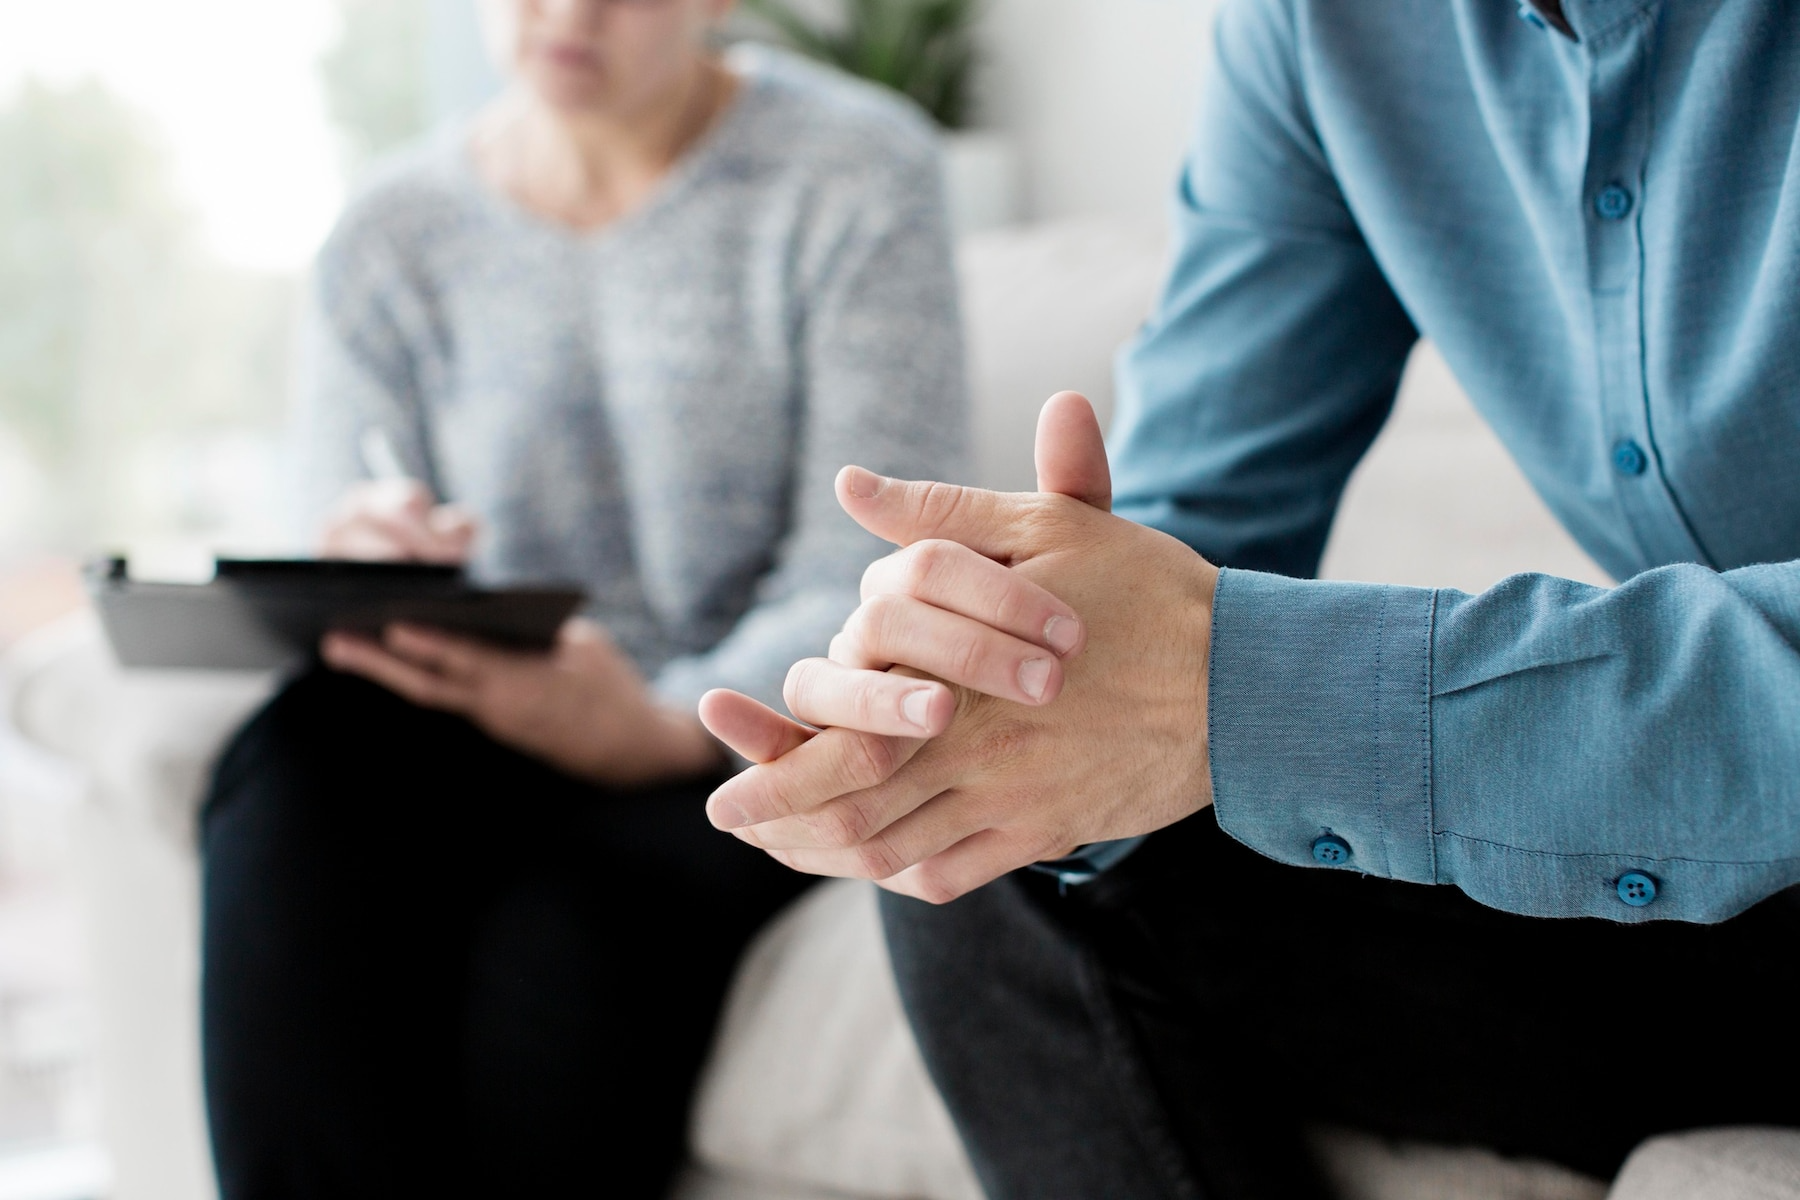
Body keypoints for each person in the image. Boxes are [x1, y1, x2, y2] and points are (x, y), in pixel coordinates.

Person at [695, 0, 1800, 1195]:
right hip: (1724, 914)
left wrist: (1243, 686)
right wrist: (996, 669)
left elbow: (1207, 667)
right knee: (1014, 805)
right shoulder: (1334, 30)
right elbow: (1176, 554)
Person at [197, 0, 966, 1195]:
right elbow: (342, 508)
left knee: (570, 931)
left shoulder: (856, 173)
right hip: (470, 722)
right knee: (298, 760)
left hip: (723, 748)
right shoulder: (390, 233)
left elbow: (865, 561)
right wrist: (362, 552)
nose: (567, 14)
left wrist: (656, 724)